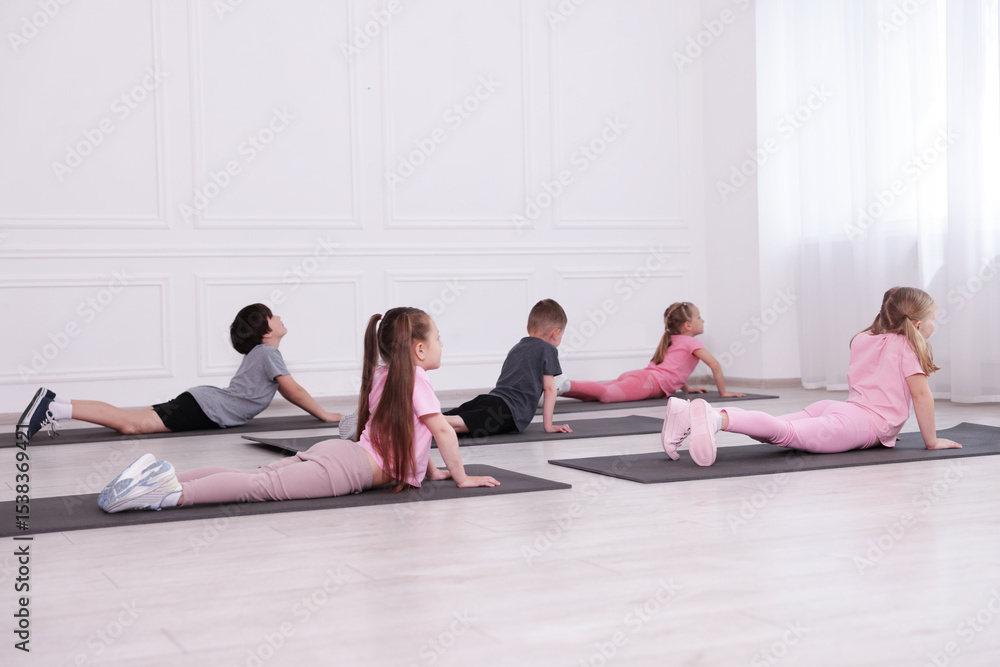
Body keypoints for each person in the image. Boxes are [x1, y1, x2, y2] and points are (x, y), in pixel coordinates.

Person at [97, 307, 500, 513]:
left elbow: (410, 433)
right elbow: (441, 430)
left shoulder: (386, 375)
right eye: (439, 338)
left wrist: (431, 471)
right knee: (260, 487)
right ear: (420, 349)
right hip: (350, 468)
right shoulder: (417, 380)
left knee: (256, 476)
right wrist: (461, 477)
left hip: (343, 454)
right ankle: (169, 495)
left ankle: (162, 477)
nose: (443, 344)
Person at [662, 287, 963, 465]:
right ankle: (715, 420)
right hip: (859, 422)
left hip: (838, 409)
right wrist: (931, 441)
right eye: (933, 319)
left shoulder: (863, 339)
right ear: (917, 324)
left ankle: (686, 413)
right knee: (782, 433)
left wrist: (887, 428)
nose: (934, 325)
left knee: (775, 429)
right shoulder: (907, 345)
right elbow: (921, 396)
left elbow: (879, 385)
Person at [15, 303, 340, 445]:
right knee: (131, 425)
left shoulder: (261, 354)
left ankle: (56, 404)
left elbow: (284, 390)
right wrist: (325, 415)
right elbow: (292, 390)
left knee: (130, 418)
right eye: (272, 315)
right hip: (205, 408)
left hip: (202, 402)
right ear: (266, 331)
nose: (279, 316)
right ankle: (54, 407)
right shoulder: (268, 354)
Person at [561, 301, 745, 404]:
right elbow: (714, 365)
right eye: (699, 317)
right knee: (606, 395)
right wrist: (723, 392)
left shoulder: (674, 340)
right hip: (647, 383)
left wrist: (686, 388)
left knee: (593, 395)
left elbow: (673, 369)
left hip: (641, 377)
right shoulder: (693, 343)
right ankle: (563, 385)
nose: (703, 320)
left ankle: (555, 390)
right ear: (688, 325)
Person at [442, 298, 572, 440]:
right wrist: (549, 425)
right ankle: (434, 424)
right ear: (555, 333)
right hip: (509, 411)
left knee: (454, 414)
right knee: (461, 424)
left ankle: (428, 421)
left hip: (490, 398)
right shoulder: (548, 349)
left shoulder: (517, 347)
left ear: (528, 328)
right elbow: (550, 389)